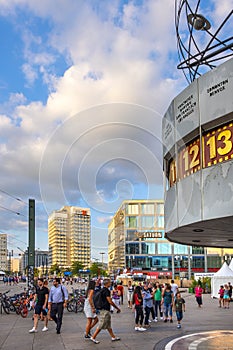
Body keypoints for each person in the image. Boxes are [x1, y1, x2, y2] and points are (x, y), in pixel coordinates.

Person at [90, 278, 121, 344]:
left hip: (102, 309)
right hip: (105, 310)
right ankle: (93, 337)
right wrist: (117, 308)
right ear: (107, 283)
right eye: (110, 282)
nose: (111, 283)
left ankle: (113, 337)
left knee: (108, 324)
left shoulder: (101, 290)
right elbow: (110, 301)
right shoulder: (106, 291)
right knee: (102, 324)